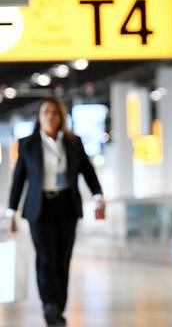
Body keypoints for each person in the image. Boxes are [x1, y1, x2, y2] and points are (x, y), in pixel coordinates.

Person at [7, 97, 106, 327]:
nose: (50, 116)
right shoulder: (27, 144)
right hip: (39, 208)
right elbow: (18, 179)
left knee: (63, 259)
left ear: (61, 117)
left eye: (55, 113)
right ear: (39, 118)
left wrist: (98, 197)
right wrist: (10, 212)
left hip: (66, 206)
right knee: (45, 259)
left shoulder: (74, 143)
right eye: (46, 112)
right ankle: (49, 307)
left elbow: (88, 173)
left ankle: (59, 306)